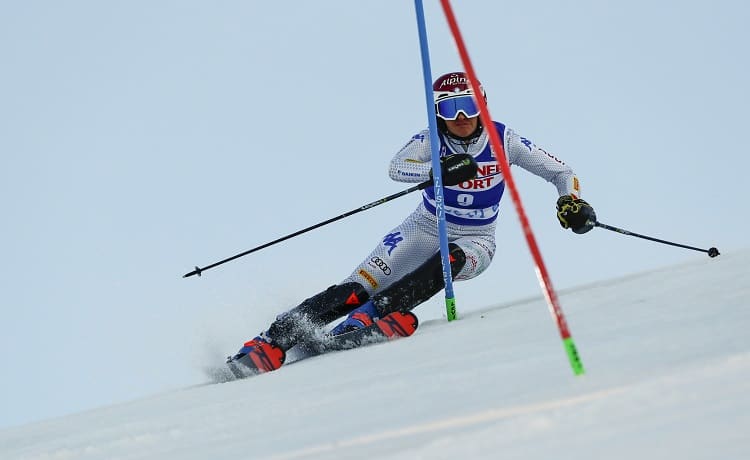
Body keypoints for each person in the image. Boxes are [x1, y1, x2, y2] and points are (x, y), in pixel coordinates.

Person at [228, 71, 596, 374]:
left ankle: (371, 317)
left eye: (467, 106)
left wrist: (571, 200)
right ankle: (273, 339)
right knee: (356, 287)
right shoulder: (432, 139)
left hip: (476, 239)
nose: (461, 118)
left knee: (448, 262)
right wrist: (439, 168)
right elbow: (396, 167)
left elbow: (562, 172)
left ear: (482, 104)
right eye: (450, 109)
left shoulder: (505, 140)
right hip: (422, 227)